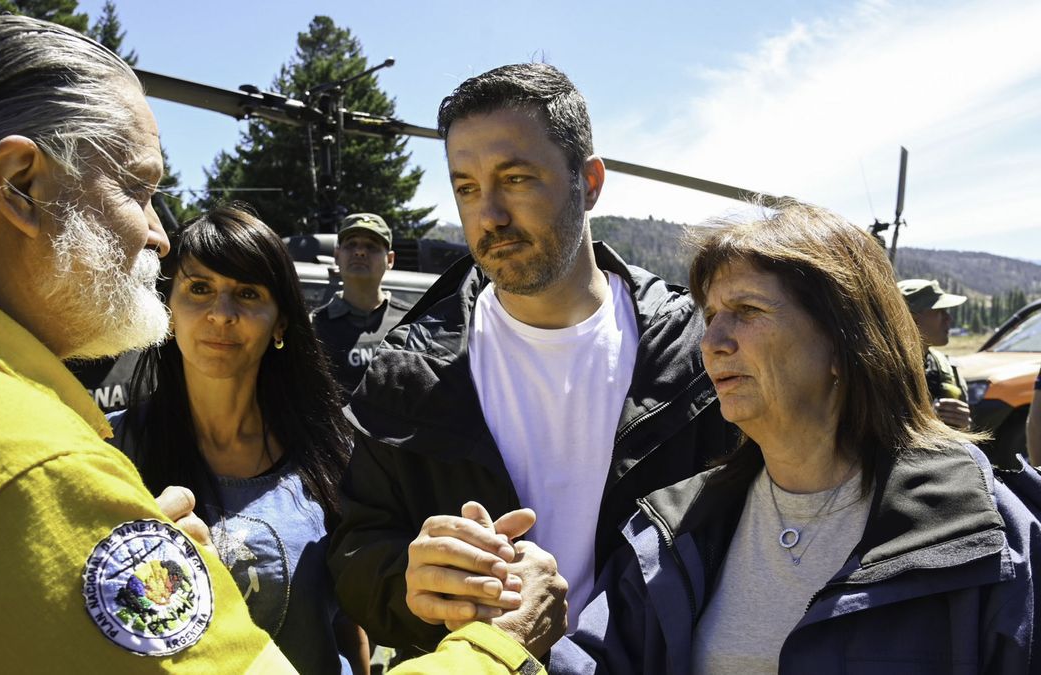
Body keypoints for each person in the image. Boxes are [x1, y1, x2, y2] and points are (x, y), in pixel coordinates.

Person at [0, 15, 560, 674]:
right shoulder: (44, 467)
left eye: (248, 294)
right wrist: (500, 646)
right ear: (23, 185)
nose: (157, 236)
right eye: (140, 189)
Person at [328, 62, 732, 653]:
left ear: (589, 183)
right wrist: (415, 587)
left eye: (514, 179)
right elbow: (356, 548)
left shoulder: (698, 355)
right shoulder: (406, 374)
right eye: (466, 187)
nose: (488, 214)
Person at [549, 201, 1041, 673]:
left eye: (746, 310)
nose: (713, 343)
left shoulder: (979, 529)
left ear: (844, 340)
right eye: (711, 315)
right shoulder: (675, 529)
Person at [108, 203, 362, 674]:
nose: (221, 315)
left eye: (247, 293)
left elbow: (347, 622)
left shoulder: (332, 454)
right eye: (199, 288)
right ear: (169, 307)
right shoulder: (109, 449)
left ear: (281, 321)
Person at [312, 212, 414, 398]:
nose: (359, 252)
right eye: (351, 244)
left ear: (390, 260)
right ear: (336, 255)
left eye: (371, 246)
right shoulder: (313, 327)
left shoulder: (411, 322)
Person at [898, 278, 971, 429]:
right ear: (913, 320)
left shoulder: (947, 370)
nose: (949, 319)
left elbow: (965, 432)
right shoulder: (878, 373)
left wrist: (963, 425)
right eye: (940, 311)